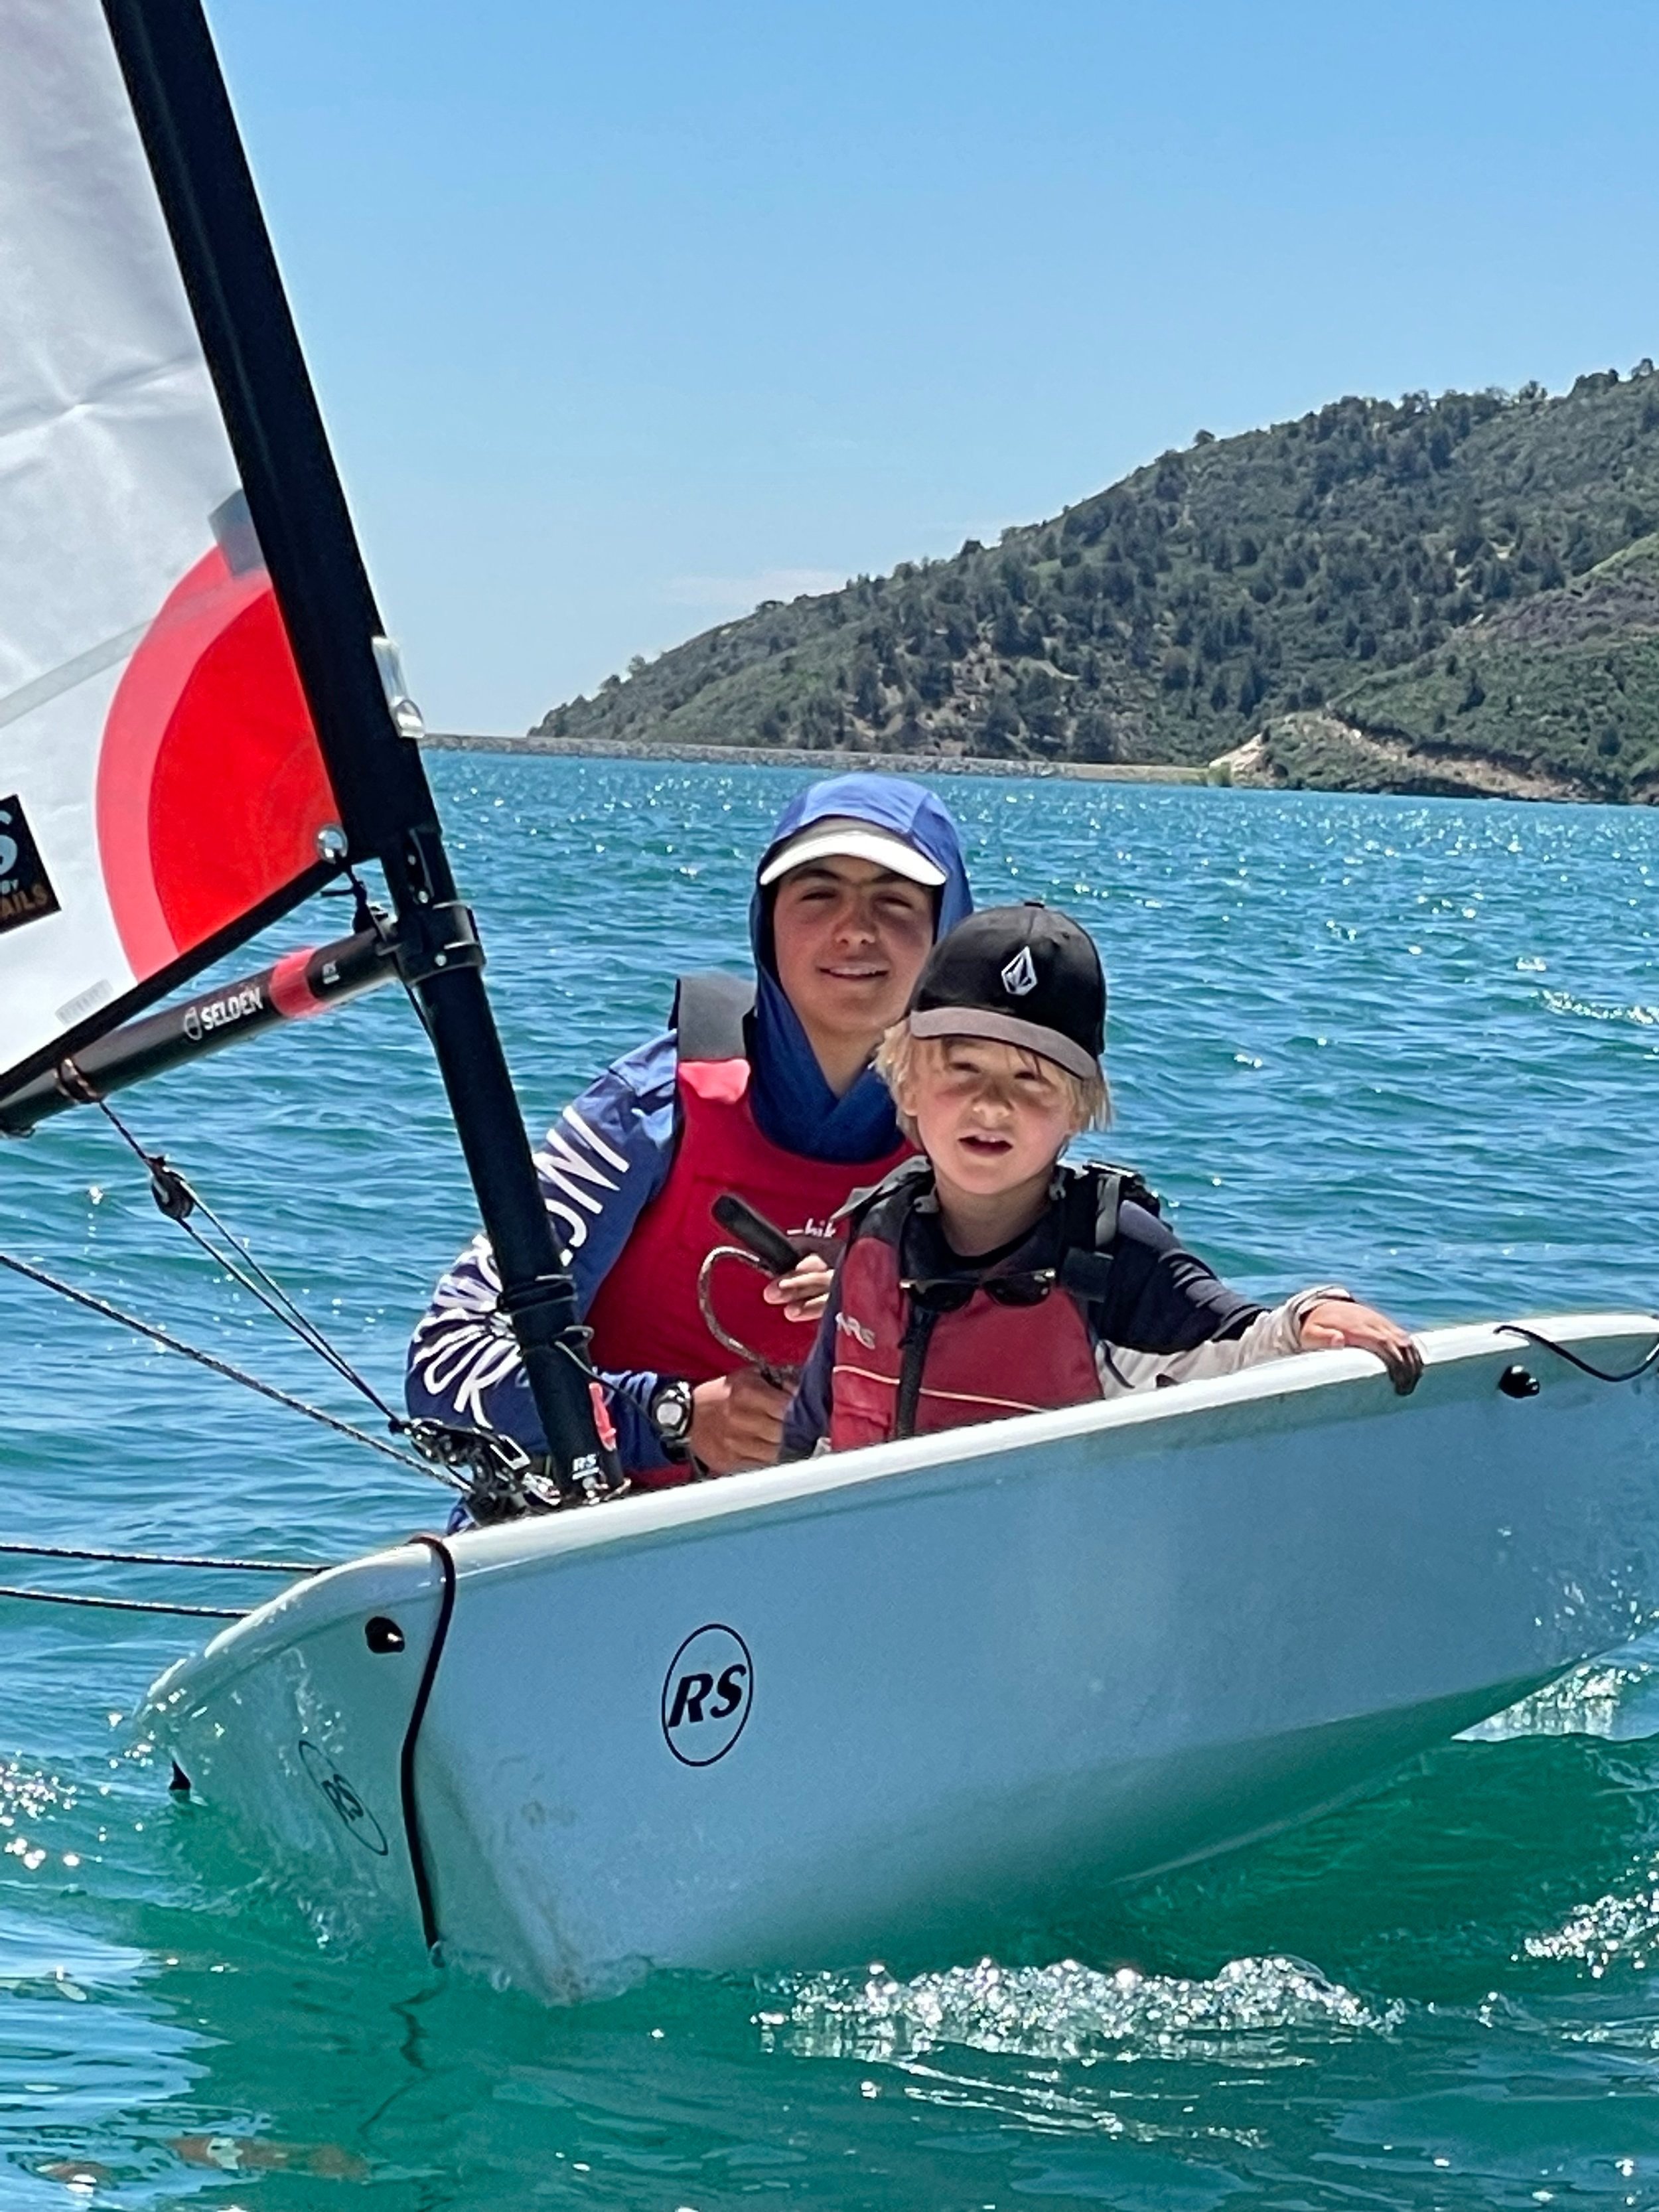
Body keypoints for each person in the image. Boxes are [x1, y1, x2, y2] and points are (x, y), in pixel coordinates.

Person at [406, 774, 973, 1484]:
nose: (855, 929)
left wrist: (899, 1306)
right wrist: (672, 1418)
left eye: (894, 901)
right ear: (767, 921)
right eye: (818, 894)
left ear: (948, 930)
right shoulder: (645, 1111)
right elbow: (444, 1360)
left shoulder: (981, 1131)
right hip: (618, 1532)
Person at [781, 903, 1420, 1457]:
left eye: (1030, 1079)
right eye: (964, 1068)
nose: (992, 1104)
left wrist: (1309, 1319)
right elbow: (810, 1430)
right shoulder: (878, 1232)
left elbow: (1239, 1347)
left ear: (1078, 1109)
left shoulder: (1111, 1252)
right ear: (909, 1083)